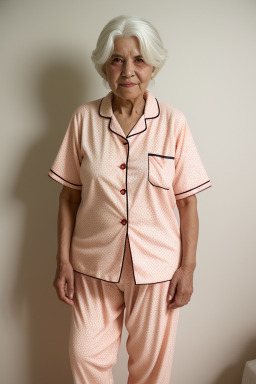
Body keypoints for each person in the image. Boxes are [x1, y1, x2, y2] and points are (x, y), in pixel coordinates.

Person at [48, 14, 212, 384]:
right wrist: (62, 261)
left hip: (157, 269)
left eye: (138, 60)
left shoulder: (174, 122)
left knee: (150, 371)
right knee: (84, 356)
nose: (128, 71)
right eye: (117, 60)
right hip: (92, 265)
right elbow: (69, 197)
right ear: (104, 66)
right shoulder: (83, 119)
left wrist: (188, 269)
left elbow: (187, 203)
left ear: (153, 66)